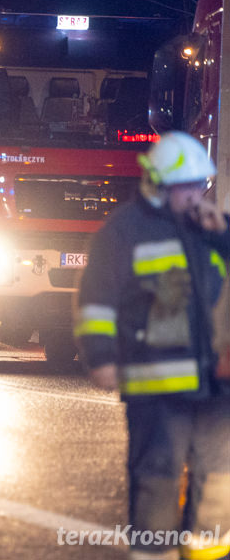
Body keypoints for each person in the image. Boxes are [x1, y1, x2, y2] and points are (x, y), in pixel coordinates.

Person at [75, 132, 230, 560]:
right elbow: (97, 299)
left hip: (212, 381)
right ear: (160, 184)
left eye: (202, 185)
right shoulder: (124, 232)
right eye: (189, 186)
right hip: (156, 383)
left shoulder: (205, 228)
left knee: (219, 476)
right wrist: (101, 358)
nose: (198, 194)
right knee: (158, 477)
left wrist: (223, 233)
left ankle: (207, 553)